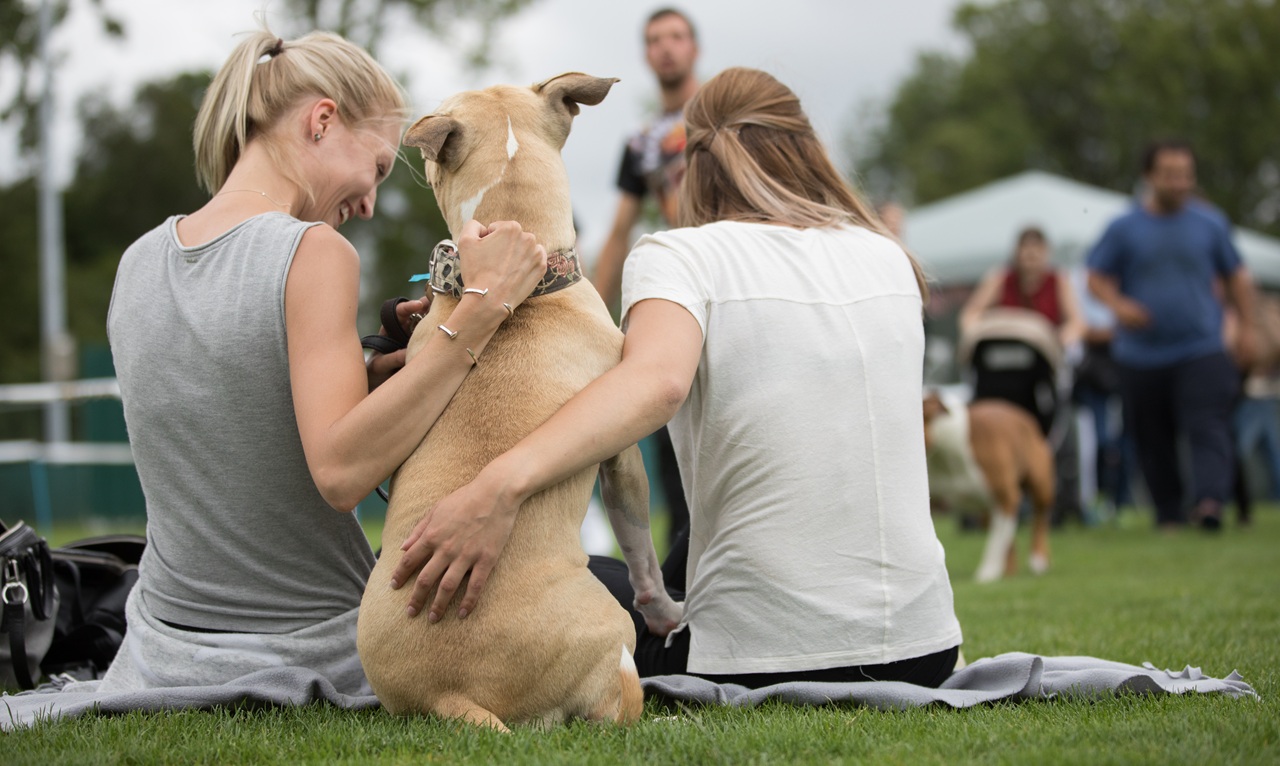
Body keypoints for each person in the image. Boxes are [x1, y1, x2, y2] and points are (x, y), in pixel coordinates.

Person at [390, 67, 963, 688]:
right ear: (808, 145)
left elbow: (656, 385)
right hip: (926, 649)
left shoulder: (677, 256)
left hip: (753, 660)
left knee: (587, 576)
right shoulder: (889, 258)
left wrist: (495, 488)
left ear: (690, 163)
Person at [101, 25, 547, 693]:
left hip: (161, 652)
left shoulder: (137, 262)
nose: (367, 204)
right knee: (597, 585)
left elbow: (230, 415)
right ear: (321, 121)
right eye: (373, 168)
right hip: (310, 645)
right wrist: (482, 313)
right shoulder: (312, 251)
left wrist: (369, 375)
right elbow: (340, 472)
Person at [1087, 139, 1257, 531]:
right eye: (1170, 175)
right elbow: (1095, 277)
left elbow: (1237, 277)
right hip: (1139, 355)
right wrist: (1120, 305)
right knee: (1153, 437)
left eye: (1185, 175)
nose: (1179, 183)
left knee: (1208, 426)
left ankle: (1210, 503)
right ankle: (1169, 513)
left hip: (1202, 346)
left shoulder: (1210, 223)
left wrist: (1247, 328)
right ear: (1149, 177)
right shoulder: (1124, 227)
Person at [592, 6, 701, 547]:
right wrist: (587, 309)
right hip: (689, 282)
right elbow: (618, 233)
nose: (666, 48)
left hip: (740, 270)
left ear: (694, 48)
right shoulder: (642, 143)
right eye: (655, 39)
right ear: (645, 54)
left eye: (676, 37)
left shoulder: (723, 114)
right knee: (668, 419)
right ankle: (683, 563)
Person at [960, 226, 1086, 350]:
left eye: (1037, 247)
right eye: (1025, 247)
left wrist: (1061, 338)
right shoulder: (1000, 278)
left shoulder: (1059, 281)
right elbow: (970, 315)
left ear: (1046, 251)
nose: (1031, 252)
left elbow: (1076, 323)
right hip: (1005, 349)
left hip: (1043, 354)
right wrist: (983, 331)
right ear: (1016, 251)